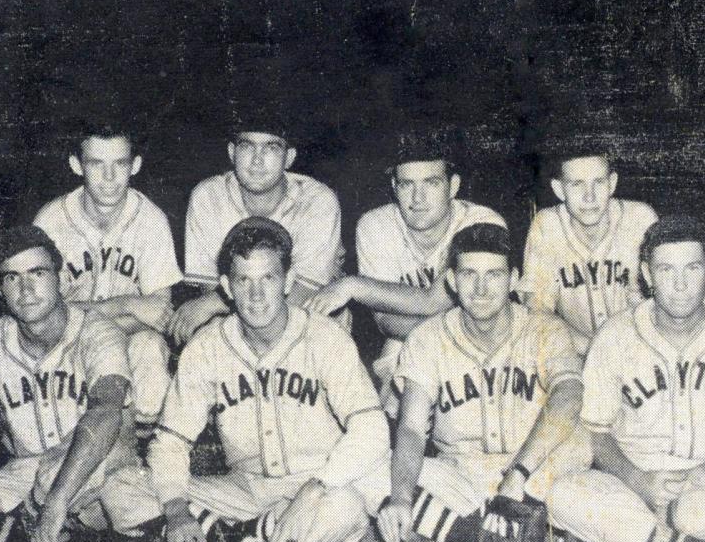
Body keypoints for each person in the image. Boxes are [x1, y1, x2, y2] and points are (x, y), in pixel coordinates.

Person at [102, 218, 389, 542]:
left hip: (319, 482)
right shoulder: (206, 348)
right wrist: (176, 509)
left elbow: (372, 428)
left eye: (268, 278)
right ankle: (250, 535)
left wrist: (315, 489)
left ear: (288, 281)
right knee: (120, 487)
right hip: (243, 490)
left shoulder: (326, 338)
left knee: (348, 507)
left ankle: (224, 537)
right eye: (243, 280)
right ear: (226, 287)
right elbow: (170, 441)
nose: (256, 295)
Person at [547, 216, 705, 542]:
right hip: (633, 482)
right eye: (666, 270)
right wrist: (637, 480)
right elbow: (596, 432)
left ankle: (642, 538)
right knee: (564, 493)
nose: (681, 284)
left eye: (693, 268)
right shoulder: (615, 334)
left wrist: (701, 474)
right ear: (648, 274)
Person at [376, 223, 584, 542]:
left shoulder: (546, 330)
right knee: (377, 474)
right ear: (452, 281)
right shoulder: (428, 338)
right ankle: (477, 539)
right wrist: (399, 496)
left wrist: (517, 475)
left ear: (514, 279)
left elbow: (568, 397)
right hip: (466, 474)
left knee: (579, 460)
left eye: (494, 275)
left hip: (534, 466)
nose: (482, 288)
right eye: (469, 274)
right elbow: (410, 427)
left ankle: (505, 523)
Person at [0, 226, 132, 542]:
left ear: (61, 278)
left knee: (61, 478)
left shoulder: (98, 332)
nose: (25, 289)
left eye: (37, 273)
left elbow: (105, 414)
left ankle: (23, 534)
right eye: (12, 278)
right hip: (26, 470)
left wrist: (55, 502)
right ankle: (19, 537)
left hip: (97, 458)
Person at [306, 134, 505, 407]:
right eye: (406, 184)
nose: (417, 198)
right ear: (393, 186)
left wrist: (354, 285)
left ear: (453, 186)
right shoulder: (376, 226)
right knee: (395, 385)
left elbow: (434, 300)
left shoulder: (481, 222)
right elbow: (385, 321)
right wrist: (452, 327)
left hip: (490, 342)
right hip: (408, 340)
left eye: (431, 183)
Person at [33, 121, 181, 440]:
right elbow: (45, 315)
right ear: (76, 165)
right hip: (66, 345)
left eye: (120, 164)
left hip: (130, 338)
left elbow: (159, 312)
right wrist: (127, 304)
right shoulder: (51, 221)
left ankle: (143, 443)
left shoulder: (151, 220)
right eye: (96, 164)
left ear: (135, 165)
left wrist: (84, 313)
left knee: (151, 349)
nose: (109, 178)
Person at [168, 114, 344, 346]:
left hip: (306, 310)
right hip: (238, 311)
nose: (257, 160)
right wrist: (214, 306)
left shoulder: (317, 200)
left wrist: (213, 302)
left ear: (289, 157)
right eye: (247, 146)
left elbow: (302, 294)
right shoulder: (208, 196)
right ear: (232, 152)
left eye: (271, 147)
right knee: (210, 334)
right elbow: (212, 286)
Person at [517, 148, 656, 355]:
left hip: (641, 350)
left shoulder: (640, 219)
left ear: (612, 183)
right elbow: (537, 311)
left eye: (598, 182)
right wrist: (595, 350)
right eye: (576, 184)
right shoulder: (547, 225)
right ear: (559, 189)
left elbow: (663, 303)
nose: (589, 197)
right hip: (578, 352)